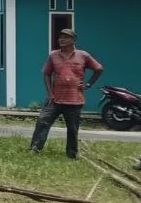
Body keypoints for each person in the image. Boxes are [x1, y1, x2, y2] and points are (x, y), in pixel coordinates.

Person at [29, 29, 103, 159]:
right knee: (42, 121)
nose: (61, 39)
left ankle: (72, 155)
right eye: (60, 37)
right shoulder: (53, 55)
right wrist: (50, 93)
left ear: (73, 40)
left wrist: (88, 84)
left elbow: (99, 69)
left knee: (73, 129)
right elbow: (46, 74)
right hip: (55, 99)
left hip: (74, 99)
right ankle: (35, 149)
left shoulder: (83, 55)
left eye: (65, 37)